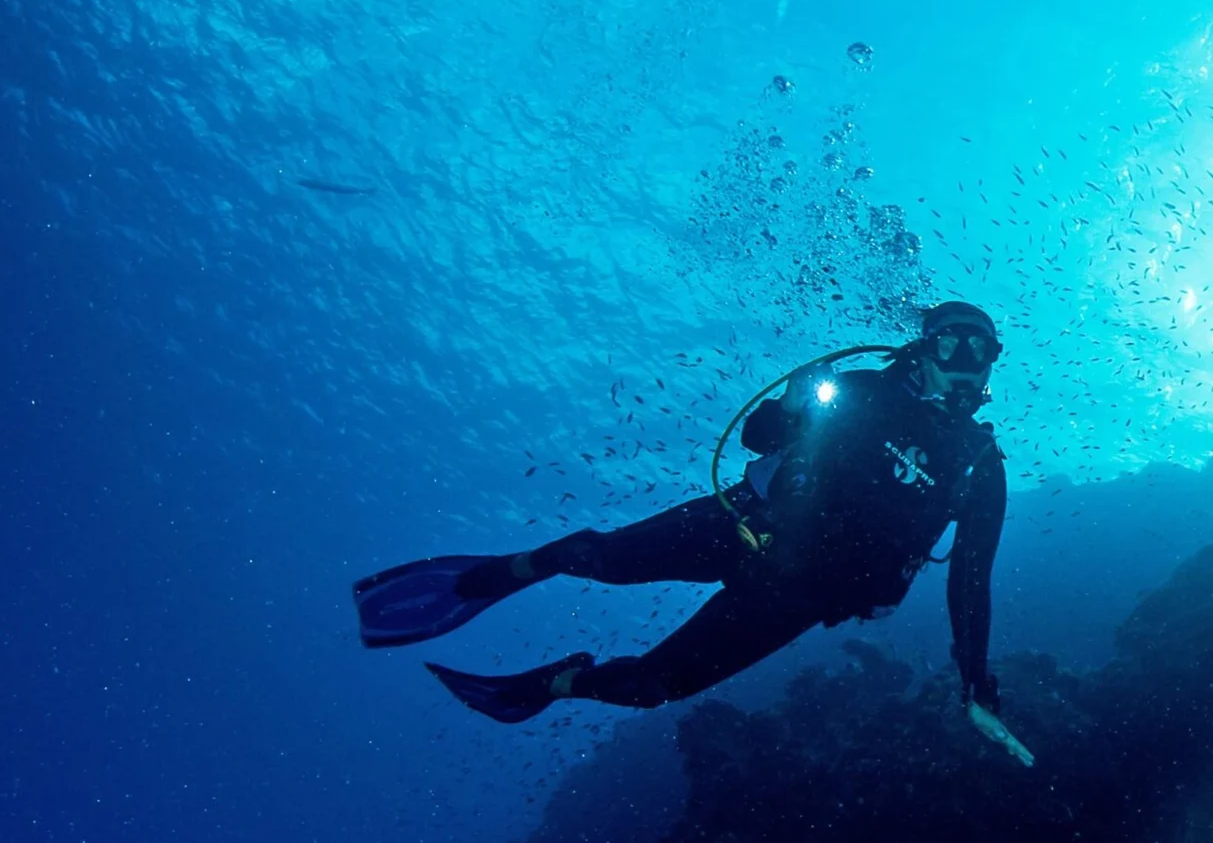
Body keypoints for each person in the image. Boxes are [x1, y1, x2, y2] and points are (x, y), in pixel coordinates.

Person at [355, 301, 1009, 726]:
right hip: (743, 523)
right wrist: (791, 406)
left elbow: (970, 582)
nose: (967, 366)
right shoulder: (863, 390)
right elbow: (759, 439)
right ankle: (509, 571)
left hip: (801, 596)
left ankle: (554, 685)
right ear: (923, 349)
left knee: (651, 687)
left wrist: (975, 679)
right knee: (600, 559)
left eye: (983, 354)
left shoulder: (980, 468)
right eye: (954, 347)